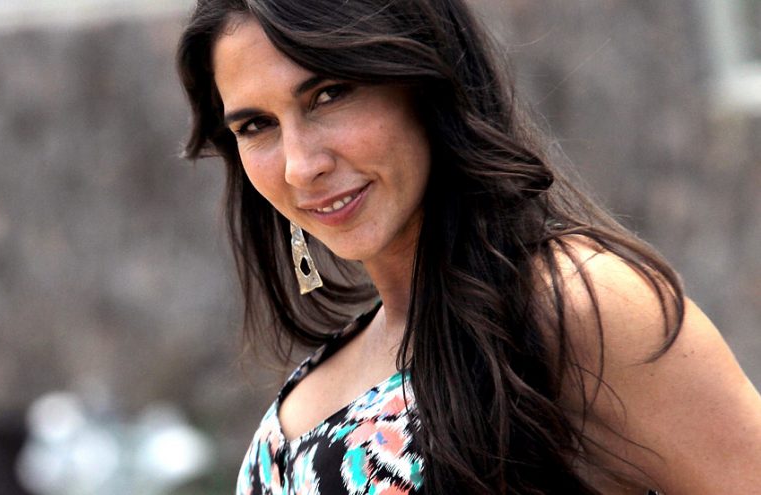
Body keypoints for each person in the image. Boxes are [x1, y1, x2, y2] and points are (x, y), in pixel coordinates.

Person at [175, 0, 761, 493]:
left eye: (330, 94)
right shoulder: (323, 377)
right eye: (256, 126)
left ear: (424, 80)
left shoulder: (575, 307)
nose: (301, 166)